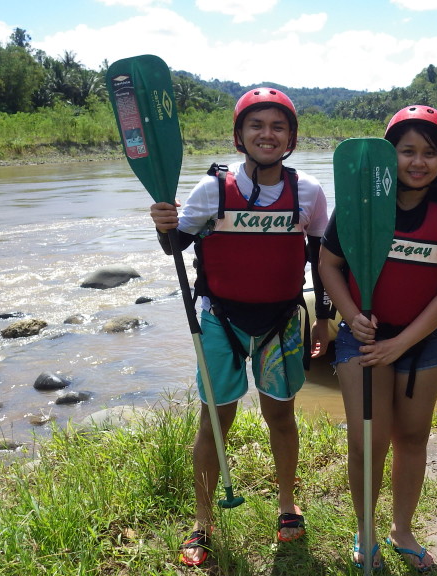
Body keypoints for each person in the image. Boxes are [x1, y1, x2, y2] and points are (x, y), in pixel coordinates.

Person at [149, 87, 332, 567]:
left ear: (291, 137)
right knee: (215, 421)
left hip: (282, 323)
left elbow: (323, 262)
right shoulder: (210, 189)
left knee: (281, 417)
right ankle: (203, 522)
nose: (267, 134)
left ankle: (287, 507)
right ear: (239, 136)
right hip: (220, 321)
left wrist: (325, 321)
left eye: (278, 126)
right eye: (257, 125)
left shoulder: (309, 193)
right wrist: (163, 224)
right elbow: (174, 247)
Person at [318, 105, 437, 572]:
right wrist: (350, 315)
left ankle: (402, 531)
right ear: (391, 156)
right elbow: (329, 266)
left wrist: (402, 342)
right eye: (407, 151)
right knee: (368, 441)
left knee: (412, 438)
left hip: (423, 342)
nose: (418, 162)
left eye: (430, 153)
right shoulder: (359, 205)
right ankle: (366, 534)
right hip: (362, 340)